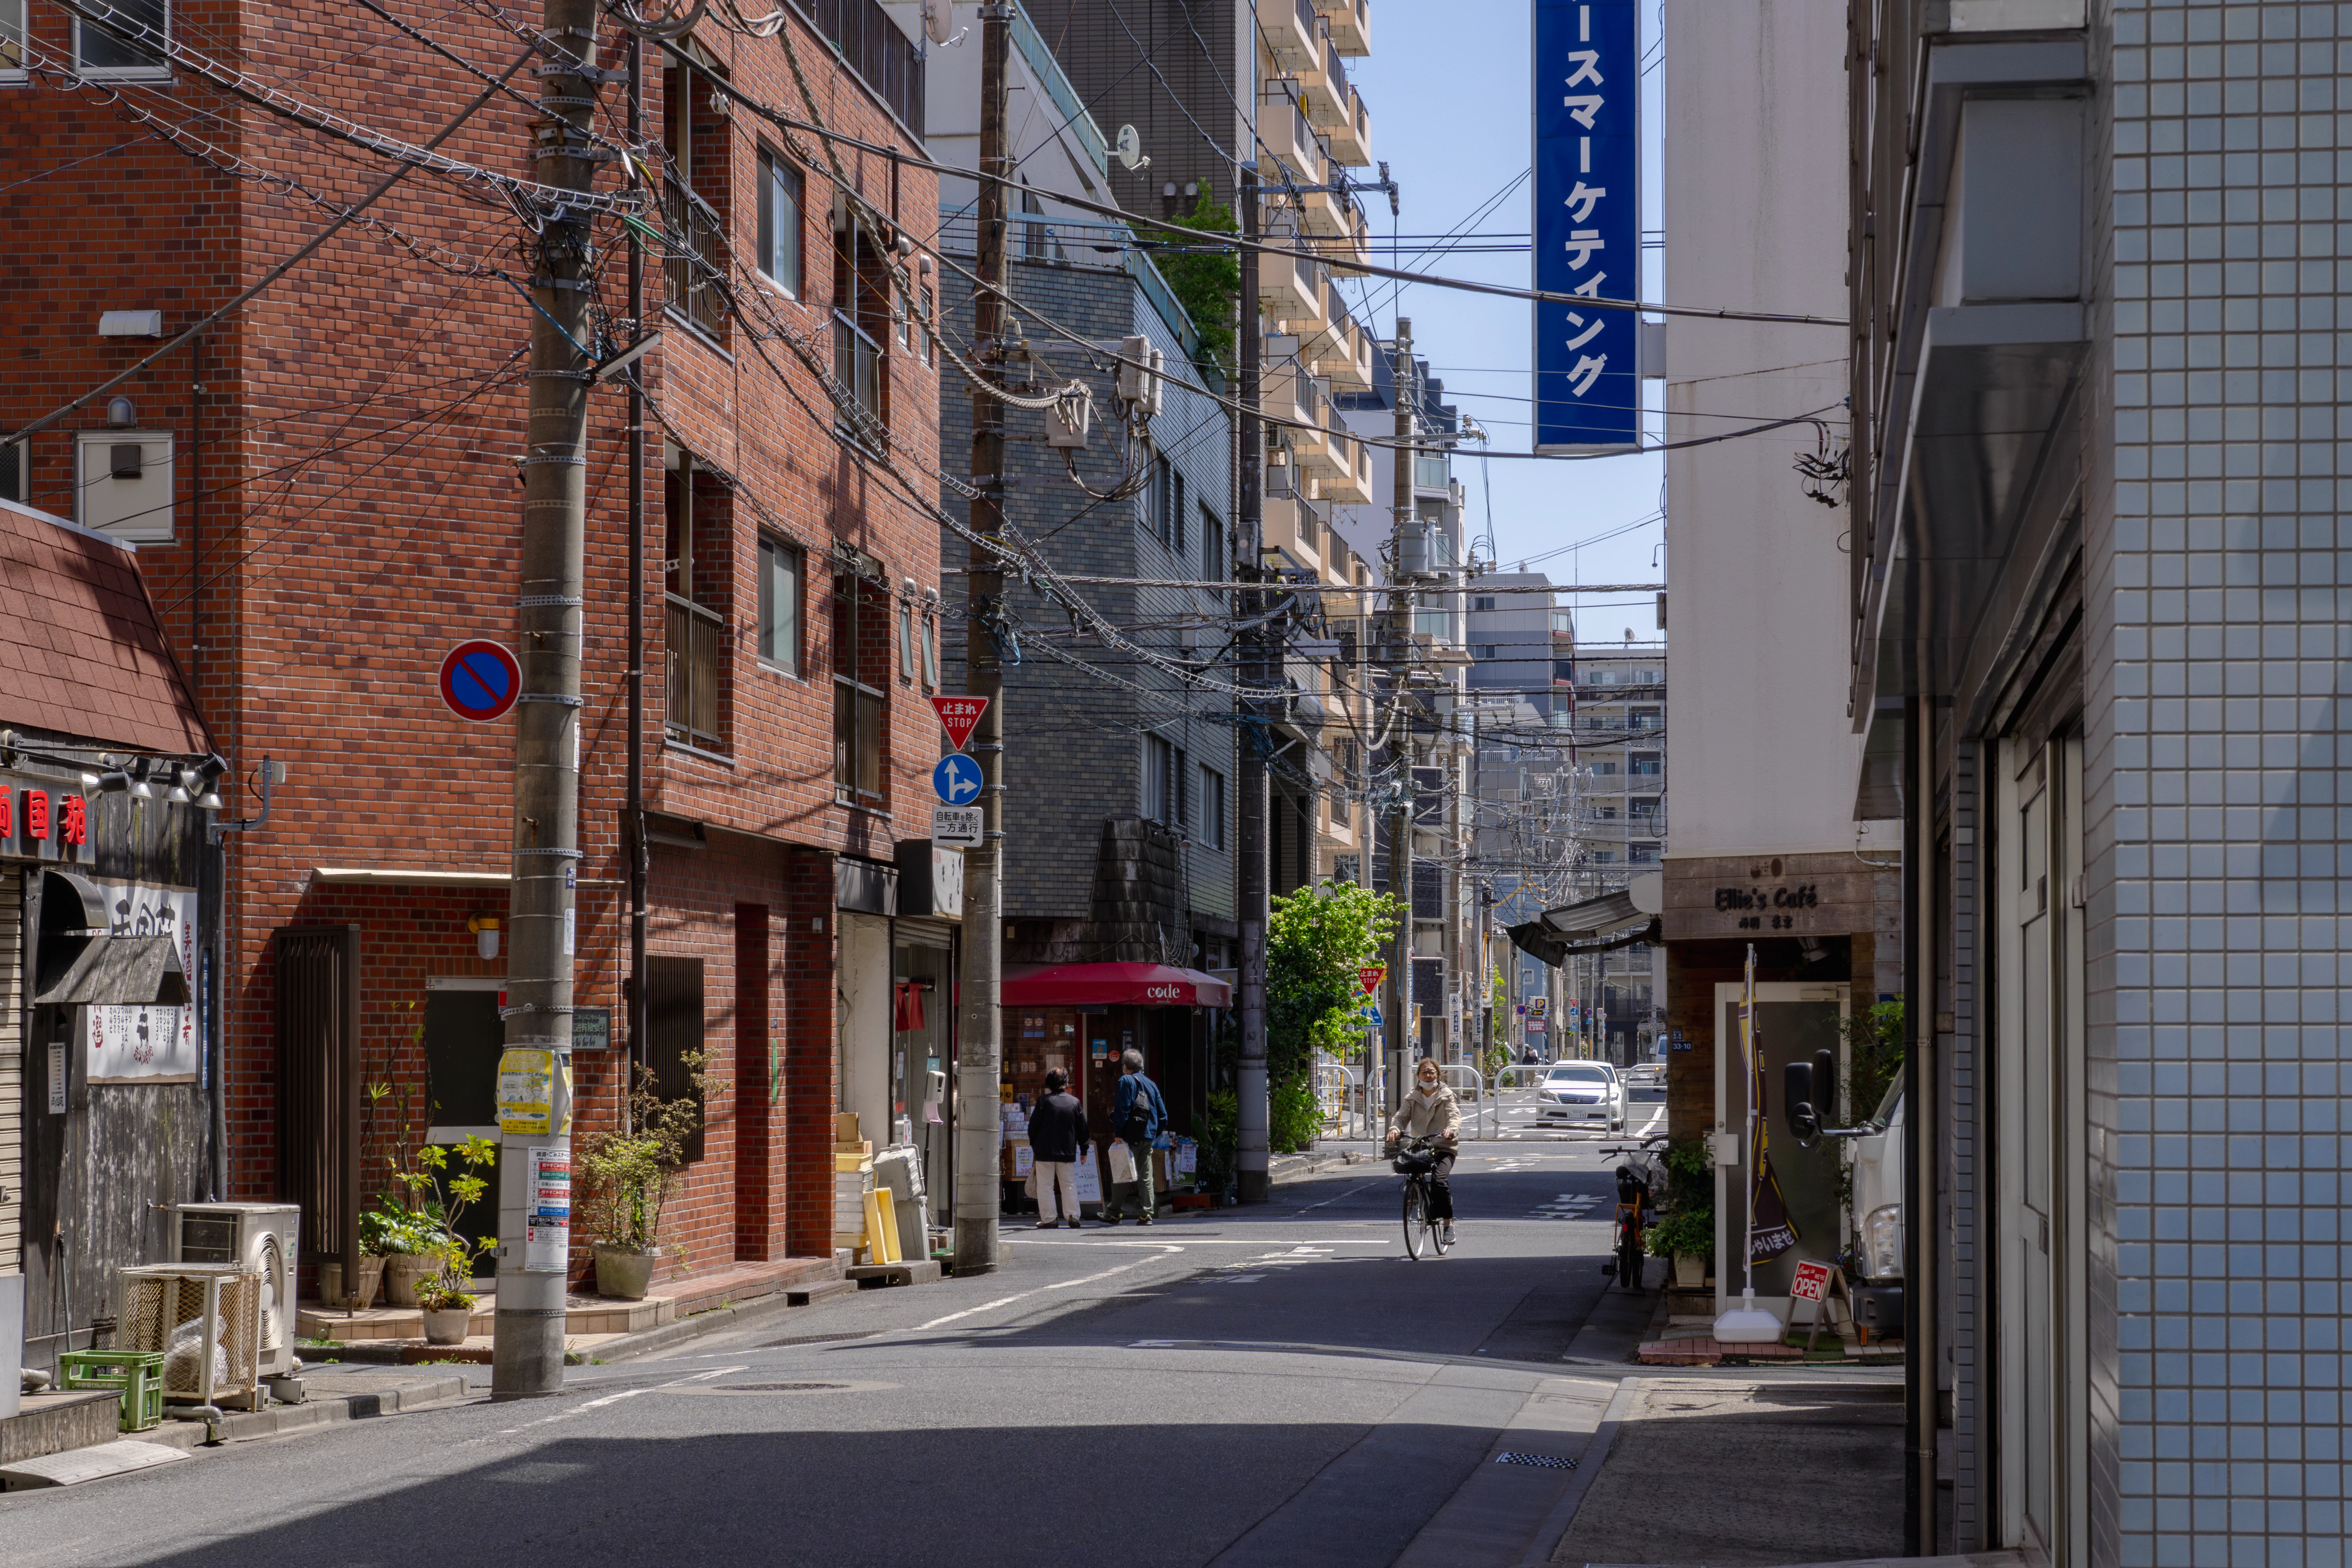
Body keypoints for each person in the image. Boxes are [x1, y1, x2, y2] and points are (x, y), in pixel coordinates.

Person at [1385, 1056, 1462, 1245]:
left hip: (1444, 1146)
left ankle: (1447, 1224)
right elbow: (1401, 1117)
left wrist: (1451, 1130)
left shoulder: (1447, 1095)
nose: (1428, 1076)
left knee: (1439, 1180)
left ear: (1438, 1074)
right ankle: (1416, 1197)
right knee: (1409, 1170)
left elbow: (1454, 1116)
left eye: (1432, 1072)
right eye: (1424, 1072)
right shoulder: (1412, 1097)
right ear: (1418, 1075)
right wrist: (1395, 1128)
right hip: (1420, 1145)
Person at [1100, 1048, 1168, 1226]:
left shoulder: (1126, 1081)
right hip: (1148, 1137)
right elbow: (1163, 1116)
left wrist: (1119, 1134)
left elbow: (1122, 1110)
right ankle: (1146, 1214)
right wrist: (1154, 1133)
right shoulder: (1152, 1085)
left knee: (1123, 1173)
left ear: (1125, 1067)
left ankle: (1114, 1213)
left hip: (1130, 1137)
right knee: (1146, 1175)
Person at [1025, 1070, 1090, 1229]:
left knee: (1045, 1186)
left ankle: (1050, 1219)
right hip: (1067, 1150)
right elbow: (1083, 1129)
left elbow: (1033, 1128)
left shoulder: (1043, 1102)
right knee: (1069, 1183)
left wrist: (1034, 1146)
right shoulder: (1074, 1102)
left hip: (1044, 1150)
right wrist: (1084, 1149)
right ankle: (1073, 1216)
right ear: (1066, 1083)